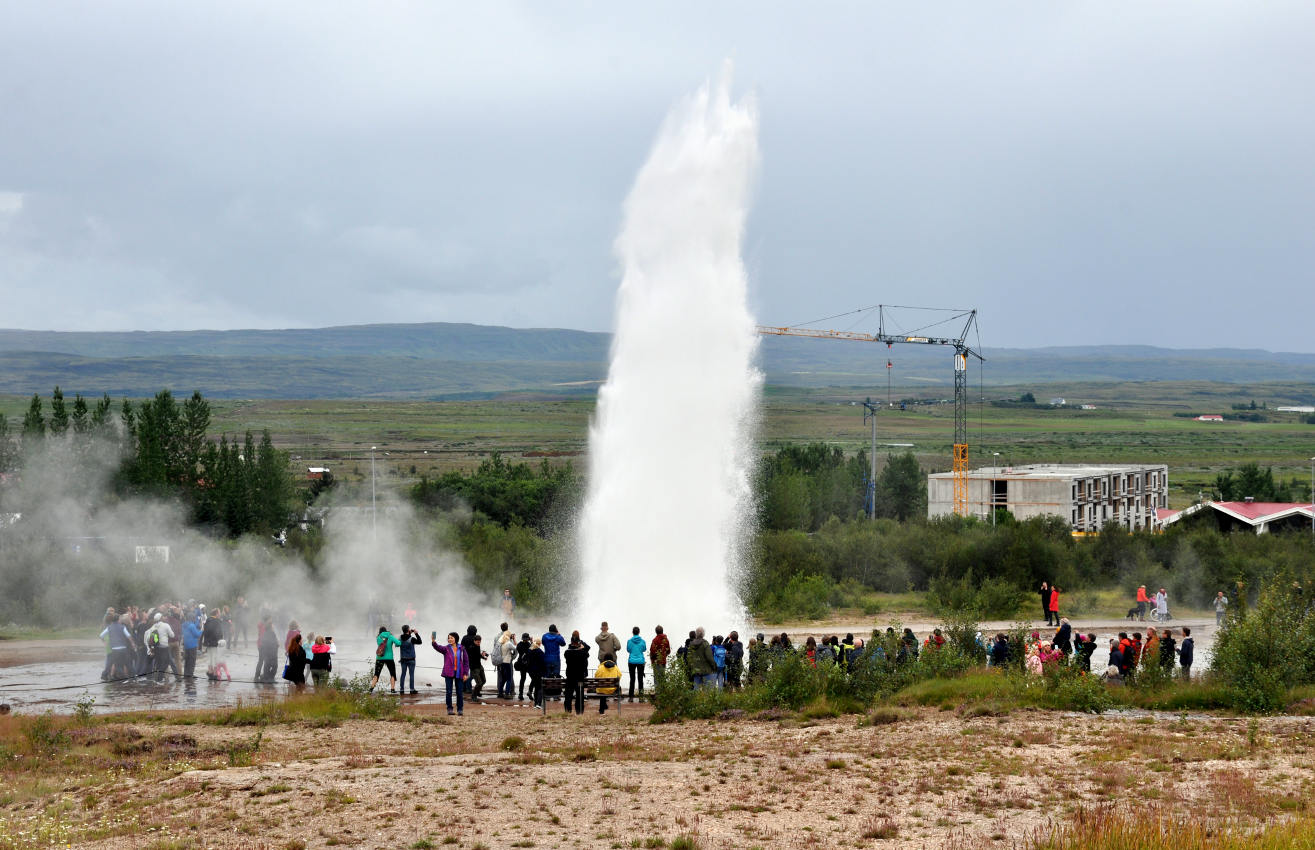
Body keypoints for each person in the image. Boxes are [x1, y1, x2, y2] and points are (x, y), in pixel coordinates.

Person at [432, 631, 471, 716]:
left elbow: (466, 662)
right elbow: (438, 647)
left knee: (459, 692)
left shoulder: (462, 648)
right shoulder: (446, 648)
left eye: (451, 638)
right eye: (449, 638)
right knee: (449, 692)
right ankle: (449, 709)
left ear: (456, 639)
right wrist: (433, 641)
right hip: (448, 672)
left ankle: (460, 709)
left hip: (459, 673)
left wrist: (465, 673)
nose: (449, 639)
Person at [563, 632, 591, 715]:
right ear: (579, 644)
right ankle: (579, 711)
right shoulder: (583, 653)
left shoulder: (567, 653)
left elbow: (570, 651)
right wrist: (582, 648)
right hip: (580, 677)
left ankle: (568, 710)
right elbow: (587, 653)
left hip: (570, 676)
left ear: (571, 643)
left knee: (568, 694)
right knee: (579, 694)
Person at [144, 613, 176, 683]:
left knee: (159, 663)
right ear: (161, 618)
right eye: (163, 616)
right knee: (166, 663)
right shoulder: (166, 625)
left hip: (157, 647)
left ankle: (157, 678)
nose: (164, 617)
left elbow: (150, 638)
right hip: (164, 647)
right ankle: (159, 679)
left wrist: (151, 649)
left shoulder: (153, 627)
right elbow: (172, 635)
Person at [371, 625, 401, 693]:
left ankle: (371, 688)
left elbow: (381, 645)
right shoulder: (390, 636)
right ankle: (392, 689)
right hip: (389, 658)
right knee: (392, 673)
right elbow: (398, 643)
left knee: (376, 673)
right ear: (386, 630)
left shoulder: (378, 637)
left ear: (380, 631)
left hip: (379, 657)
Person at [398, 625, 422, 695]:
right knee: (411, 674)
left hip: (403, 659)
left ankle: (401, 689)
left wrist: (409, 632)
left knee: (403, 674)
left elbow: (405, 637)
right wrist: (416, 633)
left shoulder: (400, 638)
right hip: (411, 659)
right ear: (408, 630)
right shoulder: (412, 639)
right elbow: (420, 642)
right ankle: (411, 689)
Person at [626, 627, 647, 702]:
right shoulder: (643, 641)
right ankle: (641, 697)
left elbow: (628, 650)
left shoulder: (629, 641)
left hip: (631, 661)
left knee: (632, 679)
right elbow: (644, 649)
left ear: (632, 632)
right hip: (640, 661)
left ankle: (631, 697)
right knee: (640, 679)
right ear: (639, 632)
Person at [256, 614, 279, 683]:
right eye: (270, 619)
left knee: (265, 662)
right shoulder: (265, 627)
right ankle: (262, 677)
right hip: (263, 646)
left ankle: (264, 676)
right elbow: (264, 638)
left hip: (264, 646)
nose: (271, 620)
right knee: (264, 662)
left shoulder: (266, 626)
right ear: (267, 620)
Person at [525, 637, 546, 708]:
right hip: (538, 672)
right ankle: (538, 704)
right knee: (539, 687)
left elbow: (527, 661)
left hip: (531, 672)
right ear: (539, 644)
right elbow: (543, 663)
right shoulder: (540, 652)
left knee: (536, 687)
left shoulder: (529, 650)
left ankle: (535, 703)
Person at [496, 629, 516, 699]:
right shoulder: (508, 643)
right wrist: (514, 640)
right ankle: (507, 694)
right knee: (509, 679)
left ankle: (500, 693)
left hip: (501, 662)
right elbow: (516, 648)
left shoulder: (501, 643)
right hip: (507, 662)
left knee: (504, 678)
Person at [516, 632, 533, 700]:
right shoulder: (529, 644)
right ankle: (530, 691)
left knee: (522, 679)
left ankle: (520, 694)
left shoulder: (519, 645)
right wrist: (531, 641)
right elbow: (532, 650)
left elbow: (518, 649)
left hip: (521, 663)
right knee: (533, 678)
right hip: (528, 664)